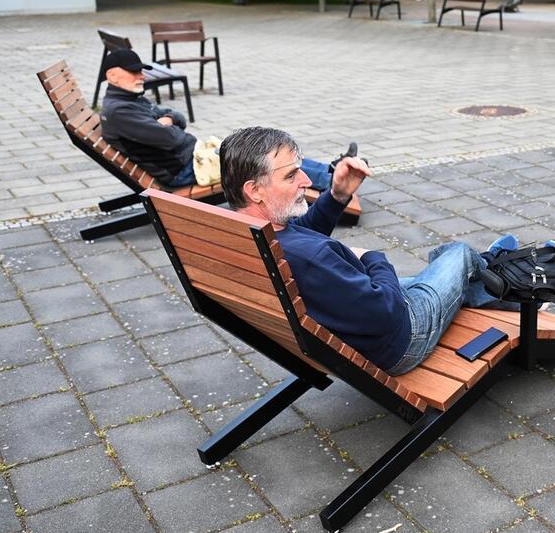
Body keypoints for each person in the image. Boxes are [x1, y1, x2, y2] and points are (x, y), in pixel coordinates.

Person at [219, 126, 533, 375]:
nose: (304, 180)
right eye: (291, 174)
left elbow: (303, 235)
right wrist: (372, 257)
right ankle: (502, 277)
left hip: (342, 315)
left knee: (443, 277)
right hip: (398, 338)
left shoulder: (246, 233)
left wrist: (338, 194)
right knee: (457, 254)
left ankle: (485, 282)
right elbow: (385, 312)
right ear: (255, 190)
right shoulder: (309, 259)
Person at [99, 49, 332, 189]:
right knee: (261, 158)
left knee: (263, 147)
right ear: (112, 76)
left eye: (141, 70)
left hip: (195, 157)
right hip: (187, 169)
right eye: (134, 71)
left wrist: (168, 119)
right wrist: (168, 124)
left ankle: (330, 171)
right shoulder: (121, 111)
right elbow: (172, 139)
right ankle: (330, 180)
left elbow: (178, 118)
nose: (141, 76)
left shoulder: (130, 100)